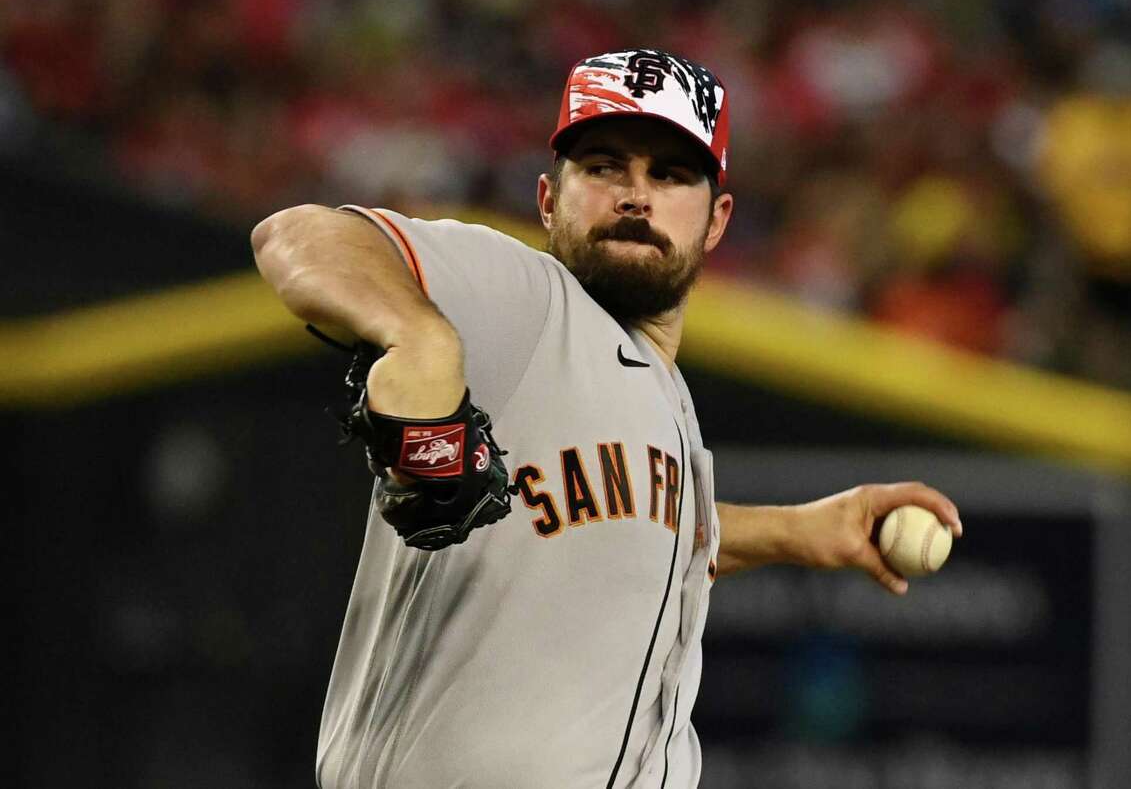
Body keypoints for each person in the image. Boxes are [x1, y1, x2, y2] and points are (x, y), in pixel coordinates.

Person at [251, 49, 962, 789]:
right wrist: (418, 333)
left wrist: (800, 531)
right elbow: (299, 236)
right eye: (604, 166)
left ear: (717, 219)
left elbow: (628, 529)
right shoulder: (526, 303)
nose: (636, 195)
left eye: (671, 175)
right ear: (549, 200)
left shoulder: (668, 398)